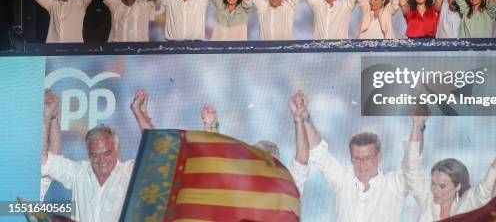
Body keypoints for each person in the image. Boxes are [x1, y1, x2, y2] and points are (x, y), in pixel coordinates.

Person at [130, 89, 309, 193]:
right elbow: (212, 155)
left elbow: (301, 159)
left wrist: (300, 120)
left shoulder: (284, 191)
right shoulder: (233, 183)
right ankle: (140, 113)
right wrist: (211, 125)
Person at [300, 91, 411, 221]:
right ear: (351, 159)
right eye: (357, 159)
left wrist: (418, 126)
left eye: (367, 158)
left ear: (379, 157)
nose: (361, 164)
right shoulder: (343, 179)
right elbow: (319, 153)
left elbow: (412, 165)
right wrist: (305, 116)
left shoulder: (393, 185)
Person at [41, 91, 134, 222]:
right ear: (88, 154)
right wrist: (48, 117)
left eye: (107, 153)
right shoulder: (79, 172)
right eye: (94, 155)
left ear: (117, 149)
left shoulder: (130, 172)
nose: (101, 161)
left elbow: (158, 158)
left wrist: (141, 115)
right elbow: (44, 162)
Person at [407, 116, 496, 222]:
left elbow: (488, 186)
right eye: (433, 183)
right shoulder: (427, 199)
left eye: (442, 186)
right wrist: (417, 125)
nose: (435, 190)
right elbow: (412, 167)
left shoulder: (468, 202)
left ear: (458, 186)